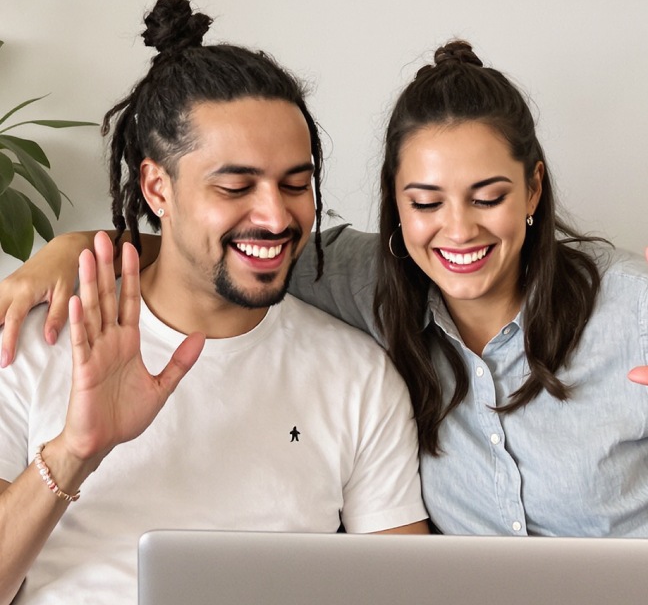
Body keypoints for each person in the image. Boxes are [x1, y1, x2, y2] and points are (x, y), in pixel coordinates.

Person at [1, 38, 647, 537]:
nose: (458, 230)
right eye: (425, 202)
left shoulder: (631, 308)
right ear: (394, 204)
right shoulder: (363, 278)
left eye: (489, 197)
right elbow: (213, 253)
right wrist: (74, 251)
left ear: (532, 188)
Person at [0, 0, 429, 605]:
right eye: (235, 186)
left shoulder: (356, 374)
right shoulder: (35, 338)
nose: (275, 215)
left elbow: (404, 592)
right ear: (157, 188)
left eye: (296, 183)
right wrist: (75, 452)